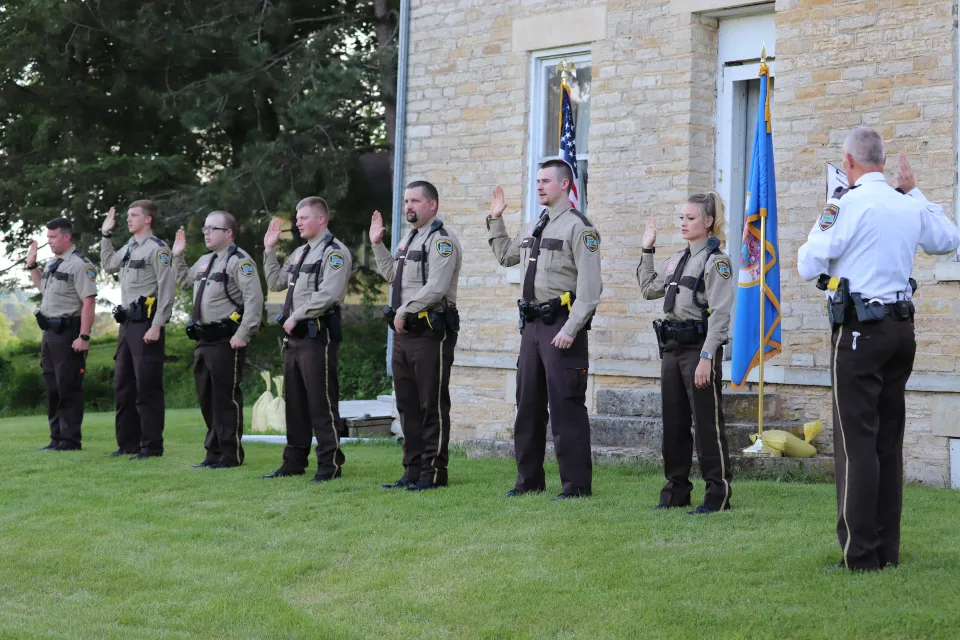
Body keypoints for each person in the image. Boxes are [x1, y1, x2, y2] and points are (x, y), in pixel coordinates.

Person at [797, 127, 960, 571]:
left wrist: (828, 208)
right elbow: (949, 238)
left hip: (858, 333)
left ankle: (861, 554)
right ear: (884, 163)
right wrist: (917, 190)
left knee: (857, 445)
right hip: (900, 330)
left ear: (848, 163)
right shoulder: (906, 202)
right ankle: (887, 549)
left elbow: (807, 263)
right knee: (888, 441)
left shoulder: (846, 203)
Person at [487, 159, 602, 500]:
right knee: (528, 404)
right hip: (532, 327)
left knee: (566, 406)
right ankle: (529, 481)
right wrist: (496, 219)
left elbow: (591, 288)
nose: (539, 186)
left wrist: (571, 327)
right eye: (537, 181)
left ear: (565, 185)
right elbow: (508, 257)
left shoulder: (580, 229)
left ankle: (576, 485)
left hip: (561, 327)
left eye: (546, 181)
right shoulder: (534, 225)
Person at [637, 193, 735, 515]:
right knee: (674, 424)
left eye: (690, 218)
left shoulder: (715, 261)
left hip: (698, 350)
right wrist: (648, 249)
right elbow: (649, 288)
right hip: (672, 349)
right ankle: (676, 492)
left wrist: (707, 357)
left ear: (708, 222)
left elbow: (720, 315)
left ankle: (717, 496)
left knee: (707, 424)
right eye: (681, 217)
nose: (683, 223)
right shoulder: (678, 259)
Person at [370, 180, 462, 491]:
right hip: (404, 332)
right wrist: (377, 244)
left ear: (432, 205)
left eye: (415, 201)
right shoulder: (409, 239)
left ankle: (433, 473)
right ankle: (411, 472)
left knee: (431, 405)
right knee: (407, 405)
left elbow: (436, 287)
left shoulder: (441, 241)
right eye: (406, 201)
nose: (408, 206)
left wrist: (402, 311)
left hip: (429, 333)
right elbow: (393, 277)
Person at [260, 197, 352, 482]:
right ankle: (294, 462)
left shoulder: (334, 252)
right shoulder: (300, 253)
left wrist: (297, 315)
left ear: (321, 219)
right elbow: (275, 283)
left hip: (317, 336)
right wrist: (269, 250)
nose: (297, 222)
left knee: (321, 404)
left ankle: (329, 465)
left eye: (303, 218)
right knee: (296, 404)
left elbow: (329, 294)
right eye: (297, 218)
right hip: (296, 338)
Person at [172, 211, 264, 469]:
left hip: (226, 339)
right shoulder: (205, 260)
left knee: (225, 398)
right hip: (203, 340)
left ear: (229, 233)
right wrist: (178, 256)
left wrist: (243, 333)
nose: (206, 232)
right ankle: (213, 453)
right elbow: (183, 280)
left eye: (213, 228)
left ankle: (230, 454)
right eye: (205, 228)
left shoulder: (240, 261)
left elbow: (254, 300)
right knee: (206, 398)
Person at [101, 201, 175, 459]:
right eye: (127, 215)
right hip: (127, 324)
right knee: (123, 386)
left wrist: (157, 325)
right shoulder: (130, 247)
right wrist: (106, 235)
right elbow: (109, 264)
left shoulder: (158, 249)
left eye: (134, 216)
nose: (128, 219)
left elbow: (167, 290)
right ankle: (127, 444)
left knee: (147, 387)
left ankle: (151, 446)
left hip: (147, 324)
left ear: (148, 220)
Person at [27, 218, 97, 452]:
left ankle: (70, 440)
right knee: (53, 387)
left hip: (69, 332)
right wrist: (32, 266)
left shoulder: (80, 265)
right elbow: (42, 289)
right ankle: (56, 438)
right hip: (49, 333)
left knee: (69, 386)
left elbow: (88, 303)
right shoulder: (51, 264)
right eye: (47, 238)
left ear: (66, 237)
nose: (49, 242)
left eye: (53, 237)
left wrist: (84, 336)